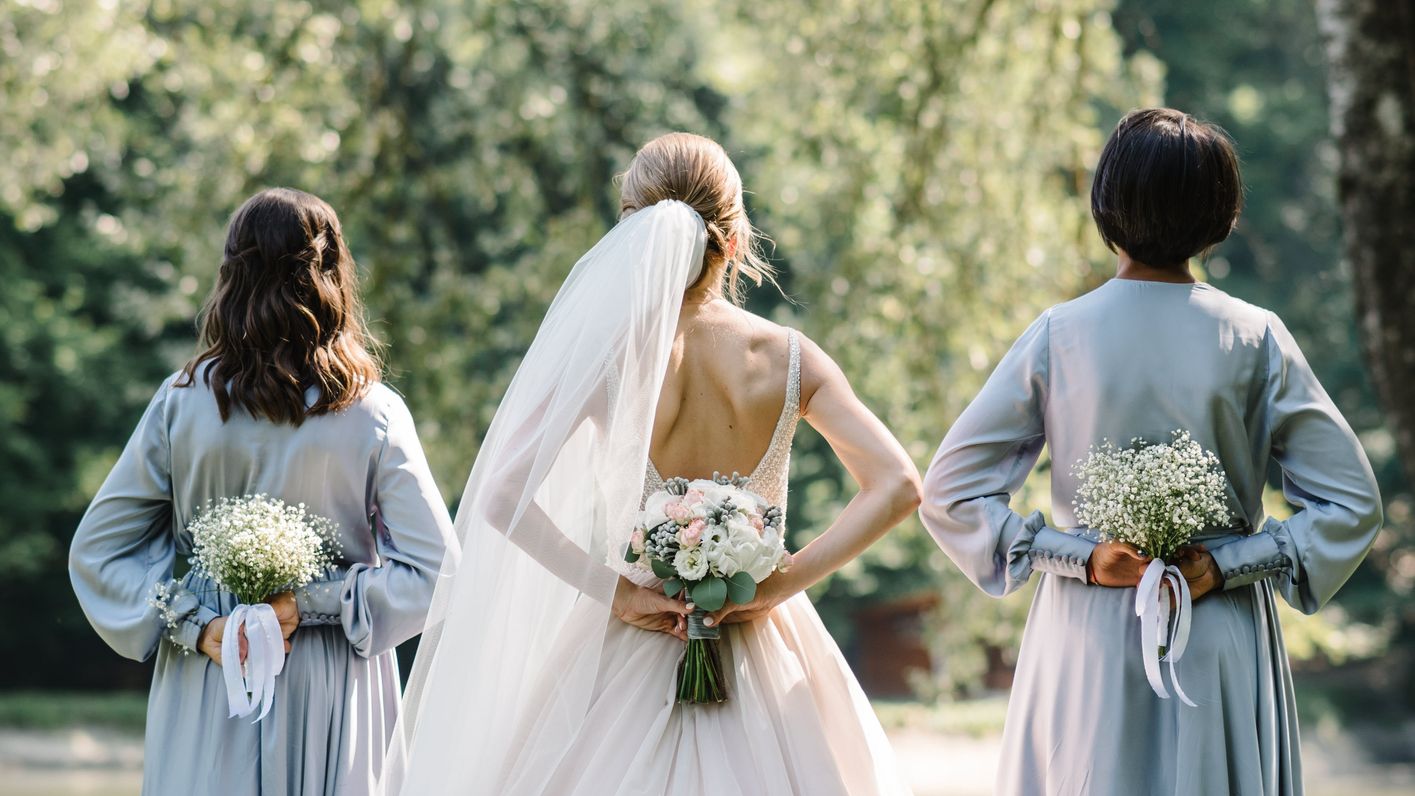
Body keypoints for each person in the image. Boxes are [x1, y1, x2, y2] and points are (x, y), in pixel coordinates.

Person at [383, 133, 921, 795]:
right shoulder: (786, 357)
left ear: (632, 236)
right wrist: (779, 583)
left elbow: (501, 496)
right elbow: (896, 486)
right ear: (735, 237)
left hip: (631, 640)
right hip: (760, 644)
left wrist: (620, 594)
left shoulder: (611, 359)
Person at [921, 108, 1383, 795]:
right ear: (1219, 212)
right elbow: (1351, 503)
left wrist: (1079, 557)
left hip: (1087, 628)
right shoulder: (1255, 337)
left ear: (1105, 205)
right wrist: (1224, 566)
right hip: (1216, 632)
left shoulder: (1058, 334)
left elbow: (948, 491)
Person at [69, 187, 454, 795]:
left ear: (232, 274)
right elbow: (439, 573)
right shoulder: (374, 414)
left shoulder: (181, 402)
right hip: (328, 679)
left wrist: (194, 623)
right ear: (332, 276)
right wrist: (313, 604)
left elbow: (97, 553)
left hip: (212, 670)